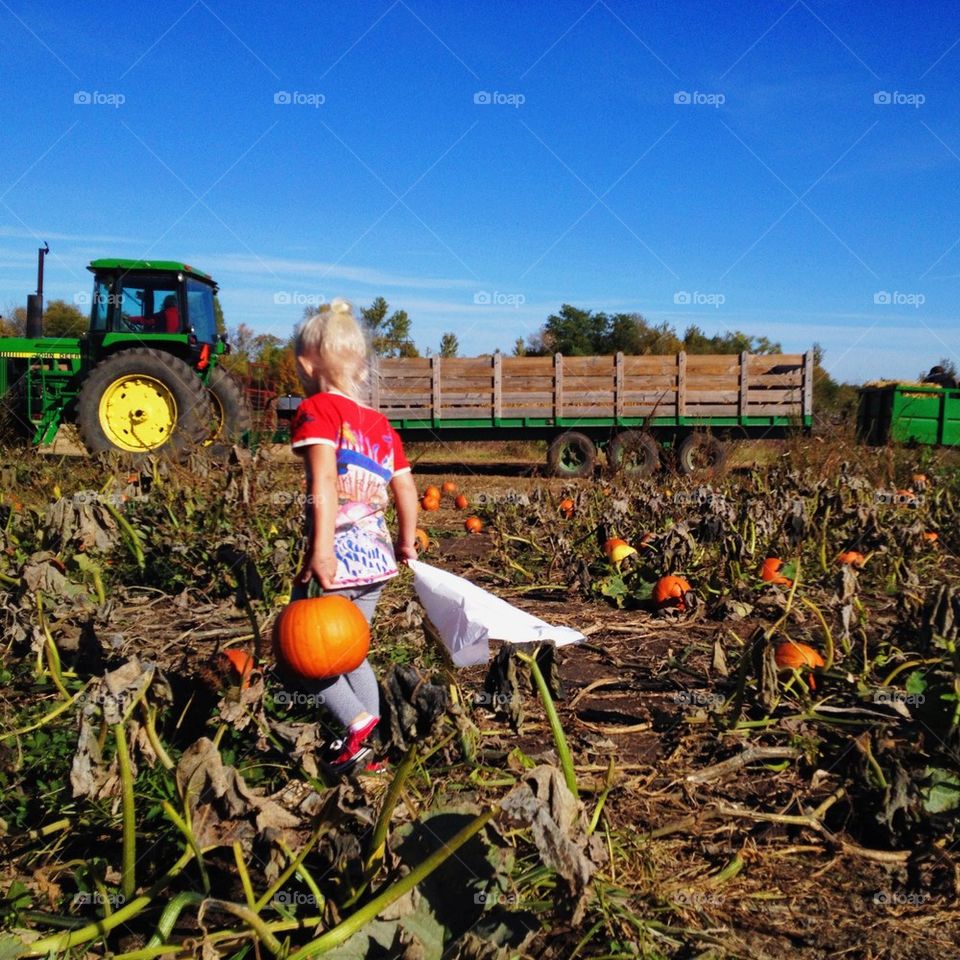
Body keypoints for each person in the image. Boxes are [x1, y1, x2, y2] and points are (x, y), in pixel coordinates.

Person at [288, 298, 419, 774]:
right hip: (378, 560)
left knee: (303, 657)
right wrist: (407, 540)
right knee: (351, 651)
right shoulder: (382, 426)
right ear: (360, 366)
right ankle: (370, 748)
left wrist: (320, 550)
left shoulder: (315, 410)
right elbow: (405, 487)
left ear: (306, 363)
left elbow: (323, 480)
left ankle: (358, 721)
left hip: (337, 558)